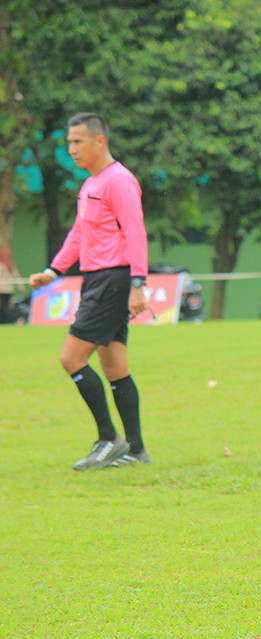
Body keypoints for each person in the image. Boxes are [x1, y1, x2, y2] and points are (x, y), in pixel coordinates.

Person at [28, 113, 152, 470]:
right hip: (97, 280)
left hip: (113, 280)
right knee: (114, 366)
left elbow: (135, 232)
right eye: (69, 143)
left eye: (78, 142)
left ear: (100, 141)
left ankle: (108, 438)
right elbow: (80, 235)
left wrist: (138, 284)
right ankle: (135, 449)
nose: (72, 149)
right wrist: (54, 270)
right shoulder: (90, 184)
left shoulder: (120, 181)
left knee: (71, 358)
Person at [0, 247, 25, 324]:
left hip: (3, 288)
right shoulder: (9, 264)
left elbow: (15, 275)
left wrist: (20, 285)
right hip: (7, 288)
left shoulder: (4, 265)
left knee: (4, 307)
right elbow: (16, 275)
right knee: (5, 306)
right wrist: (20, 285)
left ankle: (16, 319)